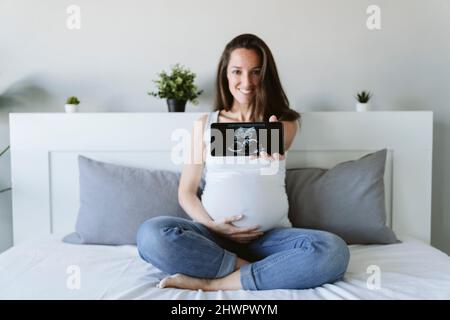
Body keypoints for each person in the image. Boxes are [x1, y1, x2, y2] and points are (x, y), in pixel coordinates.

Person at [136, 34, 350, 291]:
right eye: (237, 71)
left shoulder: (285, 122)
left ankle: (213, 283)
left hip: (271, 240)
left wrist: (270, 143)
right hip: (213, 238)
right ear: (225, 75)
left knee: (333, 251)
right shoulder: (204, 124)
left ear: (266, 76)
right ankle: (261, 269)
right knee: (151, 234)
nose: (246, 82)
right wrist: (212, 226)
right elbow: (186, 192)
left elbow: (277, 141)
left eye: (256, 72)